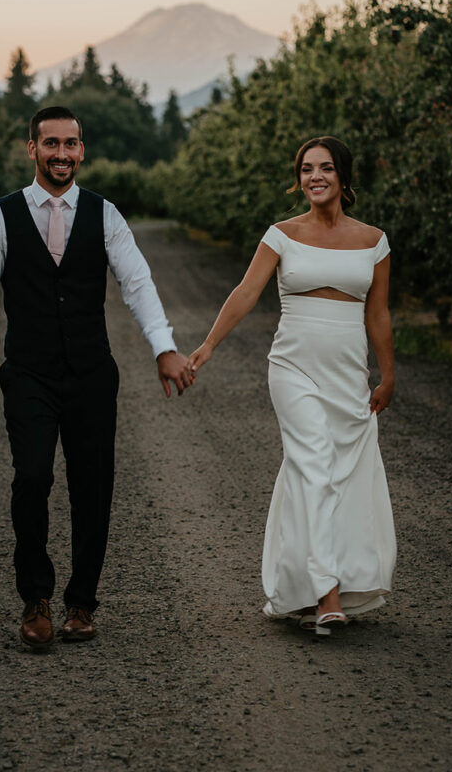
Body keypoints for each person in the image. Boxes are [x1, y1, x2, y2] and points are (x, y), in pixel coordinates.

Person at [0, 105, 192, 648]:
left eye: (71, 144)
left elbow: (138, 284)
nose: (62, 153)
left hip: (90, 374)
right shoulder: (2, 215)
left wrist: (164, 348)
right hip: (29, 373)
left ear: (82, 151)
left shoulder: (105, 215)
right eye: (51, 143)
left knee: (93, 487)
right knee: (31, 479)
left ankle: (81, 602)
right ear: (31, 149)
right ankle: (35, 597)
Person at [187, 135, 396, 635]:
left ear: (343, 177)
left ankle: (303, 584)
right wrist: (209, 345)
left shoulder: (374, 241)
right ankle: (326, 593)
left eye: (324, 168)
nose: (314, 177)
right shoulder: (281, 234)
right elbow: (246, 292)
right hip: (293, 368)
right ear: (298, 177)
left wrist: (388, 374)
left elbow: (379, 314)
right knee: (313, 464)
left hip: (348, 375)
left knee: (337, 472)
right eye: (306, 169)